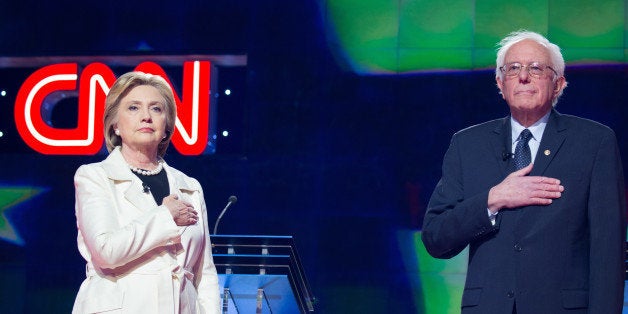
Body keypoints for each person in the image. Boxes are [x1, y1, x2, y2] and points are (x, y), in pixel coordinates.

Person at [421, 30, 626, 313]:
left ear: (558, 84)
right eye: (513, 68)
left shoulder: (594, 142)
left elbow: (609, 252)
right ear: (500, 83)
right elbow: (435, 238)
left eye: (536, 68)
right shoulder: (467, 145)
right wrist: (492, 199)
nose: (524, 76)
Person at [72, 72, 220, 313]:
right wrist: (166, 217)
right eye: (133, 108)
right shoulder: (95, 176)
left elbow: (205, 273)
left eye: (156, 109)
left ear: (166, 127)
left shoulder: (189, 186)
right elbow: (106, 251)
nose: (146, 117)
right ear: (115, 124)